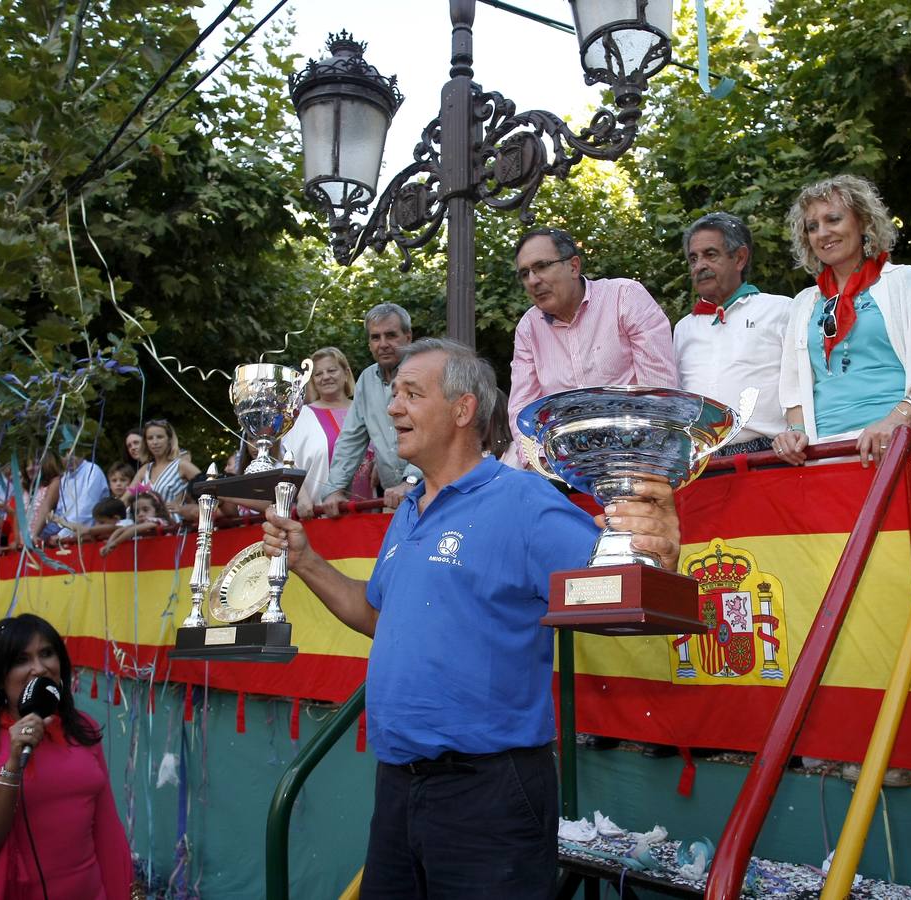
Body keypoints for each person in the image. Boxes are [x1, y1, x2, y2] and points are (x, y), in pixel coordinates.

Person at [260, 338, 682, 899]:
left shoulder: (524, 502)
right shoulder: (410, 508)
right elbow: (377, 615)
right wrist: (307, 561)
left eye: (412, 393)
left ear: (463, 410)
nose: (392, 408)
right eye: (393, 394)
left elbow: (620, 594)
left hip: (490, 791)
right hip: (397, 787)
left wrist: (656, 556)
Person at [772, 175, 911, 467]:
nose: (822, 233)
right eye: (812, 227)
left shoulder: (903, 280)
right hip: (822, 456)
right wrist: (795, 433)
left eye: (834, 219)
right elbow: (794, 393)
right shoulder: (804, 302)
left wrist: (894, 422)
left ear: (863, 222)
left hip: (897, 446)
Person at [0, 614, 133, 899]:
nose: (39, 668)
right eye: (21, 660)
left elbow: (106, 827)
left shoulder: (81, 727)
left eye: (47, 654)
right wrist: (14, 761)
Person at [507, 228, 678, 463]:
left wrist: (641, 456)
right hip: (567, 470)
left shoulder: (624, 297)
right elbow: (522, 409)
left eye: (542, 266)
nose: (533, 280)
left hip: (637, 458)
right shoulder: (528, 328)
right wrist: (539, 461)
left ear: (574, 266)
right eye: (525, 273)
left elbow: (660, 392)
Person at [672, 212, 792, 455]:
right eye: (693, 258)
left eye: (710, 254)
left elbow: (802, 383)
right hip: (700, 461)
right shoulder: (684, 327)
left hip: (769, 452)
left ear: (739, 258)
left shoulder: (780, 310)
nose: (699, 266)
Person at [319, 304, 423, 514]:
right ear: (369, 343)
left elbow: (435, 432)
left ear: (408, 337)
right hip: (394, 499)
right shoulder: (366, 379)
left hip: (433, 491)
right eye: (376, 337)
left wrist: (411, 481)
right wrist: (335, 489)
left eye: (391, 335)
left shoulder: (424, 372)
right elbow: (351, 437)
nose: (383, 344)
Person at [281, 347, 376, 518]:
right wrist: (302, 498)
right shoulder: (302, 416)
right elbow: (288, 463)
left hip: (369, 512)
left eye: (332, 370)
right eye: (318, 374)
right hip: (320, 513)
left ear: (346, 373)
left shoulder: (365, 410)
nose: (325, 377)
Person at [128, 419, 199, 509]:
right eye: (150, 438)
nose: (155, 442)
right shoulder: (145, 469)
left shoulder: (182, 465)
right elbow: (126, 498)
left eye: (160, 437)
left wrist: (186, 508)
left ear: (169, 440)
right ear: (146, 442)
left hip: (174, 521)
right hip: (147, 521)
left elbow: (208, 489)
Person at [101, 491, 172, 556]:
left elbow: (134, 530)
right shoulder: (137, 525)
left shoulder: (157, 522)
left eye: (145, 510)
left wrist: (115, 543)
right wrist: (108, 544)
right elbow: (120, 530)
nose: (140, 514)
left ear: (157, 510)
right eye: (136, 512)